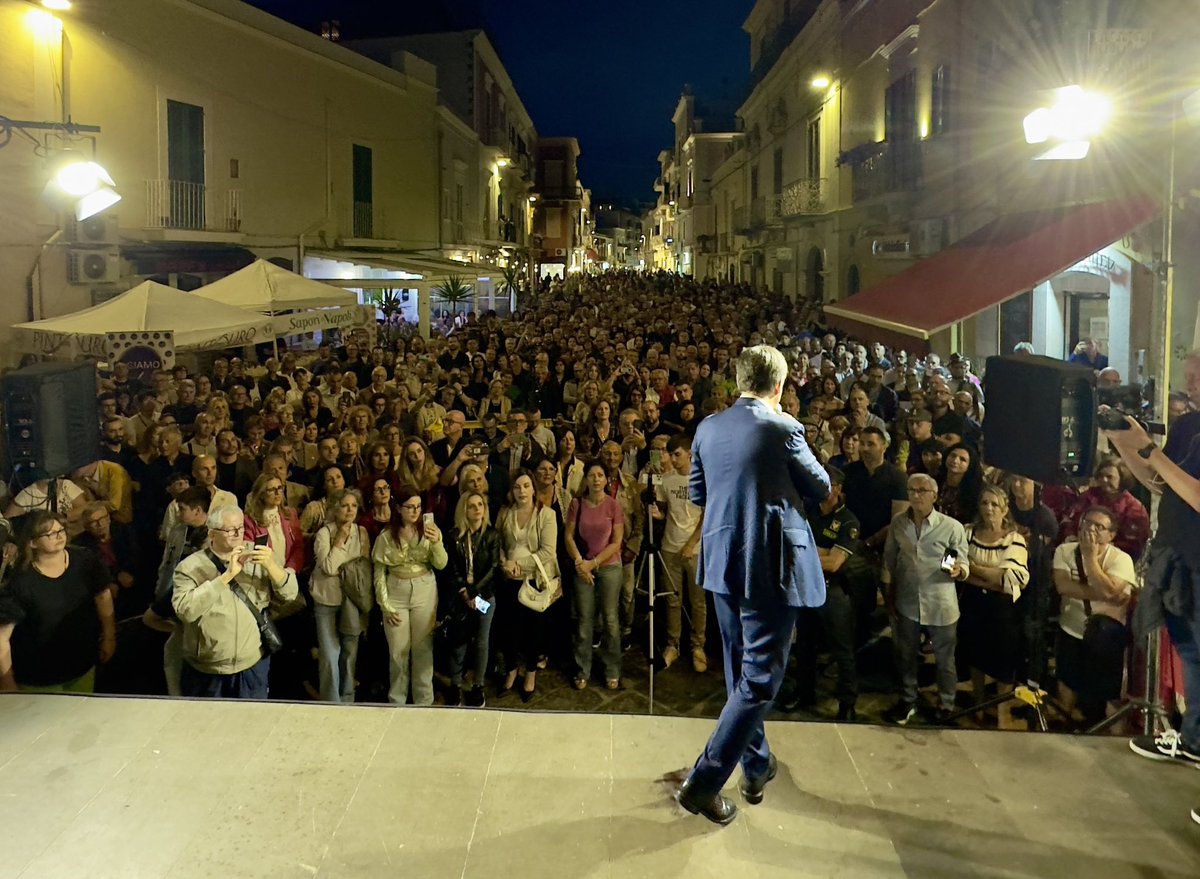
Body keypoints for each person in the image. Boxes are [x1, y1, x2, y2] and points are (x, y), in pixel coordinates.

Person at [676, 345, 830, 826]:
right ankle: (703, 785)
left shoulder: (707, 428)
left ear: (737, 381)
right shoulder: (782, 428)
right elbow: (822, 487)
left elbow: (699, 493)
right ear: (779, 386)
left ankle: (756, 763)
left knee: (739, 670)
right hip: (771, 567)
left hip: (721, 561)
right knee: (759, 679)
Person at [171, 505, 298, 698]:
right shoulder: (190, 567)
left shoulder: (256, 555)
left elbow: (290, 594)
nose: (238, 534)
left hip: (251, 666)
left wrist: (271, 565)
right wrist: (226, 577)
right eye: (231, 530)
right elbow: (185, 610)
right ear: (212, 534)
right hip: (209, 671)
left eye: (240, 527)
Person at [881, 472, 970, 726]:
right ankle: (908, 699)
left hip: (940, 602)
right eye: (912, 490)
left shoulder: (951, 526)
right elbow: (890, 558)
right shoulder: (899, 523)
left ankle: (946, 703)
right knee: (906, 654)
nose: (916, 495)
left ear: (934, 495)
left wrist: (958, 571)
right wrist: (888, 593)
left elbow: (961, 560)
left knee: (945, 659)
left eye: (922, 490)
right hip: (907, 600)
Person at [0, 511, 116, 693]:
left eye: (61, 530)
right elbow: (2, 637)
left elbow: (103, 596)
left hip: (81, 665)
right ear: (32, 542)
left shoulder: (85, 560)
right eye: (50, 534)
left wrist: (109, 636)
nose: (59, 535)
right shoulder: (20, 583)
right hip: (39, 677)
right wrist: (7, 682)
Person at [787, 466, 861, 720]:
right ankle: (804, 693)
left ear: (838, 488)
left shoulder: (849, 520)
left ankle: (847, 703)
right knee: (805, 646)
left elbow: (834, 563)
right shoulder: (807, 511)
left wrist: (806, 550)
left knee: (842, 649)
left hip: (832, 591)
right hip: (806, 588)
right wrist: (820, 552)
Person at [1052, 505, 1136, 726]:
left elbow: (1112, 592)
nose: (1091, 529)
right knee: (1067, 682)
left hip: (1105, 637)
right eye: (1087, 523)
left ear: (1111, 535)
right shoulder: (1065, 551)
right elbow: (1063, 586)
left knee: (1109, 695)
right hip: (1071, 628)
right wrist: (1106, 592)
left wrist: (1090, 559)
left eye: (1099, 526)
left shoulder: (1121, 559)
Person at [959, 484, 1030, 728]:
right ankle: (978, 703)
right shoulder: (966, 533)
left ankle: (1002, 712)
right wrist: (990, 576)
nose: (989, 508)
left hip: (1002, 611)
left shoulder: (1014, 539)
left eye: (994, 504)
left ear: (1004, 509)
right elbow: (950, 565)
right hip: (972, 604)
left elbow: (1010, 579)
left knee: (1003, 661)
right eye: (984, 503)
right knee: (974, 655)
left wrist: (972, 569)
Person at [372, 487, 447, 705]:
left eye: (418, 507)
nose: (415, 511)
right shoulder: (386, 537)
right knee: (397, 652)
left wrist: (437, 542)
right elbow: (379, 573)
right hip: (396, 591)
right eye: (410, 507)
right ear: (399, 508)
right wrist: (384, 605)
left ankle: (425, 700)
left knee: (423, 649)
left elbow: (441, 564)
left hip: (424, 589)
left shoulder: (429, 531)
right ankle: (397, 701)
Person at [495, 470, 559, 702]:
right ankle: (512, 670)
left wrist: (518, 564)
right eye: (517, 487)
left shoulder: (547, 515)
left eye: (526, 486)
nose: (521, 491)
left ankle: (530, 674)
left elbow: (548, 552)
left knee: (533, 631)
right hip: (508, 578)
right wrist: (504, 564)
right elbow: (498, 542)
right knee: (508, 628)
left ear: (534, 489)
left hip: (534, 580)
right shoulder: (505, 513)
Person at [142, 486, 211, 696]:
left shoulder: (215, 534)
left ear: (197, 510)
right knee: (171, 658)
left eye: (182, 509)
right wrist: (160, 592)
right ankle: (175, 698)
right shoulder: (178, 531)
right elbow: (167, 564)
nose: (179, 514)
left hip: (200, 604)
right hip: (173, 597)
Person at [565, 461, 626, 690]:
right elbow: (569, 536)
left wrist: (594, 563)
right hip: (583, 566)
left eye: (601, 475)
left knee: (610, 620)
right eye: (592, 475)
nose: (597, 479)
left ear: (606, 479)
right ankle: (583, 669)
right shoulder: (577, 504)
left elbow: (617, 541)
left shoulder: (613, 506)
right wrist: (581, 563)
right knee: (584, 620)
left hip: (608, 566)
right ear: (586, 479)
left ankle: (612, 669)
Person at [653, 433, 707, 672]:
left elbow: (706, 517)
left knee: (698, 602)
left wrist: (691, 543)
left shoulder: (703, 480)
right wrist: (658, 514)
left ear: (689, 454)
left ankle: (698, 645)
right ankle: (672, 644)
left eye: (677, 454)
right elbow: (665, 511)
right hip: (670, 546)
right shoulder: (667, 481)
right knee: (673, 599)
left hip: (694, 550)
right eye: (670, 454)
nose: (673, 459)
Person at [443, 490, 502, 707]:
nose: (477, 509)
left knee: (482, 641)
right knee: (459, 640)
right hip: (461, 597)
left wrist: (474, 591)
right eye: (472, 506)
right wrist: (463, 591)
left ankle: (478, 685)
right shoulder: (455, 535)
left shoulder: (492, 535)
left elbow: (494, 568)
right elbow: (452, 568)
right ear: (464, 510)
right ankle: (455, 684)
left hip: (484, 597)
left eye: (480, 505)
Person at [311, 489, 370, 703]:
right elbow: (328, 566)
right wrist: (340, 540)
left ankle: (348, 698)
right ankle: (331, 701)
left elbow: (362, 567)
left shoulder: (361, 532)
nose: (350, 510)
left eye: (354, 506)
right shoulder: (324, 533)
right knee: (329, 654)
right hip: (326, 598)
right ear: (335, 508)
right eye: (345, 505)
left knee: (349, 652)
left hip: (352, 599)